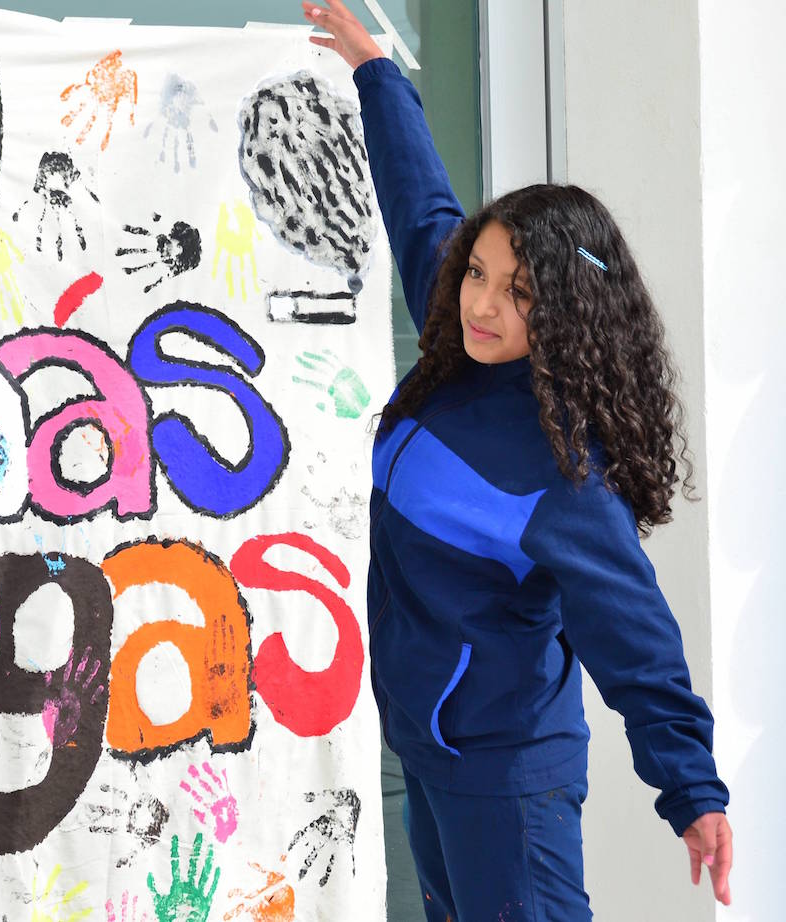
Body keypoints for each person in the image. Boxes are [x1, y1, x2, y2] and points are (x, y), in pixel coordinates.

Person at [302, 2, 733, 918]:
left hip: (506, 780)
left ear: (568, 311)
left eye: (519, 291)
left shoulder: (562, 474)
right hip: (432, 751)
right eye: (478, 272)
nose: (483, 303)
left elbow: (635, 634)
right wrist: (377, 74)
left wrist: (691, 788)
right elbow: (421, 206)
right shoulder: (457, 344)